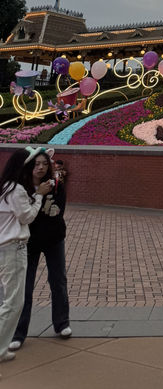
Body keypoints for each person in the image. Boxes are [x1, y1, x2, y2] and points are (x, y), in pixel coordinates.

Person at [9, 148, 71, 351]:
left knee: (58, 281)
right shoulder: (22, 188)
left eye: (45, 163)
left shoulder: (56, 187)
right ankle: (18, 333)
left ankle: (62, 324)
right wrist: (38, 196)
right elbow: (26, 216)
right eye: (37, 164)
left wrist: (39, 202)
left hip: (54, 240)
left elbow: (56, 213)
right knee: (25, 288)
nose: (41, 167)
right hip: (30, 242)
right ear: (29, 166)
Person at [0, 148, 52, 370]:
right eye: (32, 164)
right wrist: (39, 195)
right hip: (13, 248)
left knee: (11, 300)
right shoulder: (17, 190)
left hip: (8, 248)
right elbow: (28, 216)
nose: (36, 168)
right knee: (13, 302)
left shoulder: (6, 187)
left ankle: (2, 348)